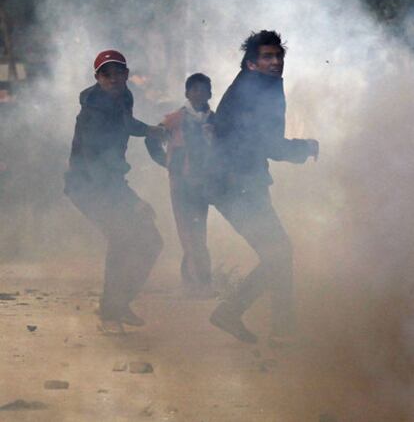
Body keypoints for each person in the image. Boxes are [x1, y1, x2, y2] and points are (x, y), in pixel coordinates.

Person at [209, 30, 319, 345]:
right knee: (278, 252)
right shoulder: (255, 90)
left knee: (278, 252)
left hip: (240, 183)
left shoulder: (258, 85)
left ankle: (280, 328)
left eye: (278, 56)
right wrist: (305, 147)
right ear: (252, 64)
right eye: (267, 57)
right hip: (234, 186)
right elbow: (266, 142)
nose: (275, 62)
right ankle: (243, 316)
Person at [64, 50, 164, 333]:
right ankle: (110, 313)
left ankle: (117, 304)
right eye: (106, 74)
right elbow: (98, 169)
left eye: (118, 72)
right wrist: (132, 202)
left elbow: (127, 123)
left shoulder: (124, 96)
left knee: (150, 241)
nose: (114, 78)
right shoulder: (92, 115)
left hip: (108, 183)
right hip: (88, 187)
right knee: (124, 238)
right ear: (97, 78)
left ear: (126, 74)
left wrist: (150, 131)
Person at [145, 73, 215, 298]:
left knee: (198, 231)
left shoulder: (213, 120)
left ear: (210, 93)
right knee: (188, 232)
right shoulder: (176, 119)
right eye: (194, 89)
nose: (199, 94)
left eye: (204, 90)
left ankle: (192, 282)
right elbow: (151, 138)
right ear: (187, 93)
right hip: (181, 184)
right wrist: (166, 163)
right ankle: (201, 283)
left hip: (202, 184)